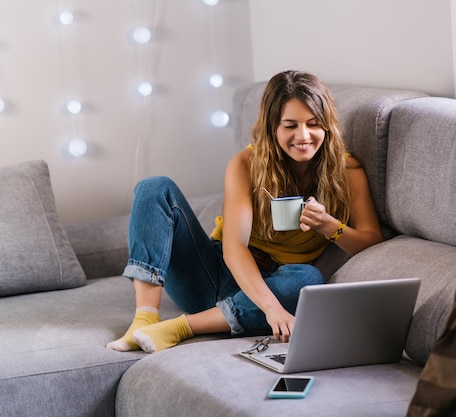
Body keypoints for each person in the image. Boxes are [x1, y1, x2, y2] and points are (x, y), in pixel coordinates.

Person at [106, 70, 383, 353]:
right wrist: (271, 309)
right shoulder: (246, 164)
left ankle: (181, 327)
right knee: (154, 188)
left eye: (313, 124)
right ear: (272, 126)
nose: (303, 136)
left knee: (308, 280)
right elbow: (235, 247)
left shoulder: (347, 171)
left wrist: (329, 226)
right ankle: (144, 318)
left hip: (273, 281)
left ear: (327, 125)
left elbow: (371, 239)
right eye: (290, 126)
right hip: (214, 272)